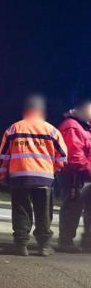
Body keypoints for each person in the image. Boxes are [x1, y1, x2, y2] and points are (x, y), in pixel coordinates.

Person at [0, 94, 67, 256]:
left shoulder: (13, 129)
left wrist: (2, 175)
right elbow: (62, 157)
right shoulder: (51, 130)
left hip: (19, 177)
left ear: (25, 110)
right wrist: (53, 170)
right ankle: (44, 247)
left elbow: (3, 157)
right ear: (41, 110)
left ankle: (21, 246)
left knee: (21, 211)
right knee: (44, 213)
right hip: (44, 178)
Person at [56, 94, 91, 252]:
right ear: (82, 108)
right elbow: (75, 157)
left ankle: (87, 241)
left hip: (85, 175)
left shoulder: (84, 126)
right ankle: (65, 242)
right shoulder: (72, 125)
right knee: (72, 206)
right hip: (74, 176)